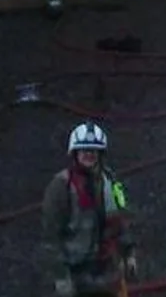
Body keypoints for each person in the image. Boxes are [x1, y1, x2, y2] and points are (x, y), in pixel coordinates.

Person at [42, 122, 137, 297]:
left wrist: (129, 252)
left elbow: (120, 218)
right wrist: (61, 277)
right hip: (76, 273)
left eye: (93, 150)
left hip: (108, 269)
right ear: (75, 153)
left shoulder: (111, 181)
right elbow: (51, 238)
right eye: (84, 150)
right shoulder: (61, 186)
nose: (89, 154)